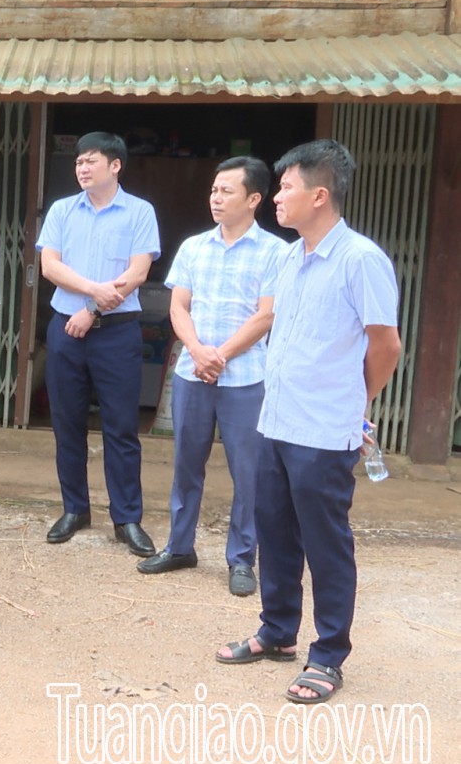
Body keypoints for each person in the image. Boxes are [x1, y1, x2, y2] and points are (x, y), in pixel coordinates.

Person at [215, 140, 401, 705]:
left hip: (324, 431)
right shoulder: (289, 257)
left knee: (325, 544)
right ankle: (276, 634)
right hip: (277, 422)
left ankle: (328, 656)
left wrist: (356, 400)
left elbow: (385, 344)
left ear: (319, 195)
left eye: (287, 187)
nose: (276, 197)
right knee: (274, 531)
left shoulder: (361, 259)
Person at [137, 157, 283, 596]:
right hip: (192, 372)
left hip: (247, 377)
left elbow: (268, 314)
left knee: (249, 472)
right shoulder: (194, 246)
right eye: (214, 190)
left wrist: (220, 354)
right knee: (186, 465)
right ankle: (180, 546)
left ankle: (242, 559)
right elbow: (178, 306)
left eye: (227, 191)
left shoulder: (276, 252)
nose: (216, 198)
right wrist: (199, 351)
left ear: (254, 199)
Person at [37, 132, 160, 557]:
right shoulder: (62, 210)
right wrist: (91, 292)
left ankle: (127, 518)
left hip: (117, 331)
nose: (82, 169)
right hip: (65, 329)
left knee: (121, 428)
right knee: (66, 422)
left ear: (115, 165)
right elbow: (50, 265)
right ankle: (75, 509)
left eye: (90, 161)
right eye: (78, 163)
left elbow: (138, 271)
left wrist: (92, 309)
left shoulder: (140, 212)